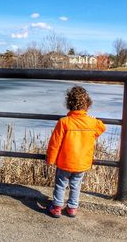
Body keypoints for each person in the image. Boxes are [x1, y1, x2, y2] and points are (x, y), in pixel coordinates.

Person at [46, 86, 105, 218]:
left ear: (69, 104)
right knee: (76, 185)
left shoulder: (64, 122)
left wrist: (50, 159)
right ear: (88, 105)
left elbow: (55, 143)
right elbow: (101, 128)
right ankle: (72, 208)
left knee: (61, 185)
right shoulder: (92, 122)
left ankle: (56, 207)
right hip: (82, 163)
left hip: (65, 162)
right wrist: (92, 120)